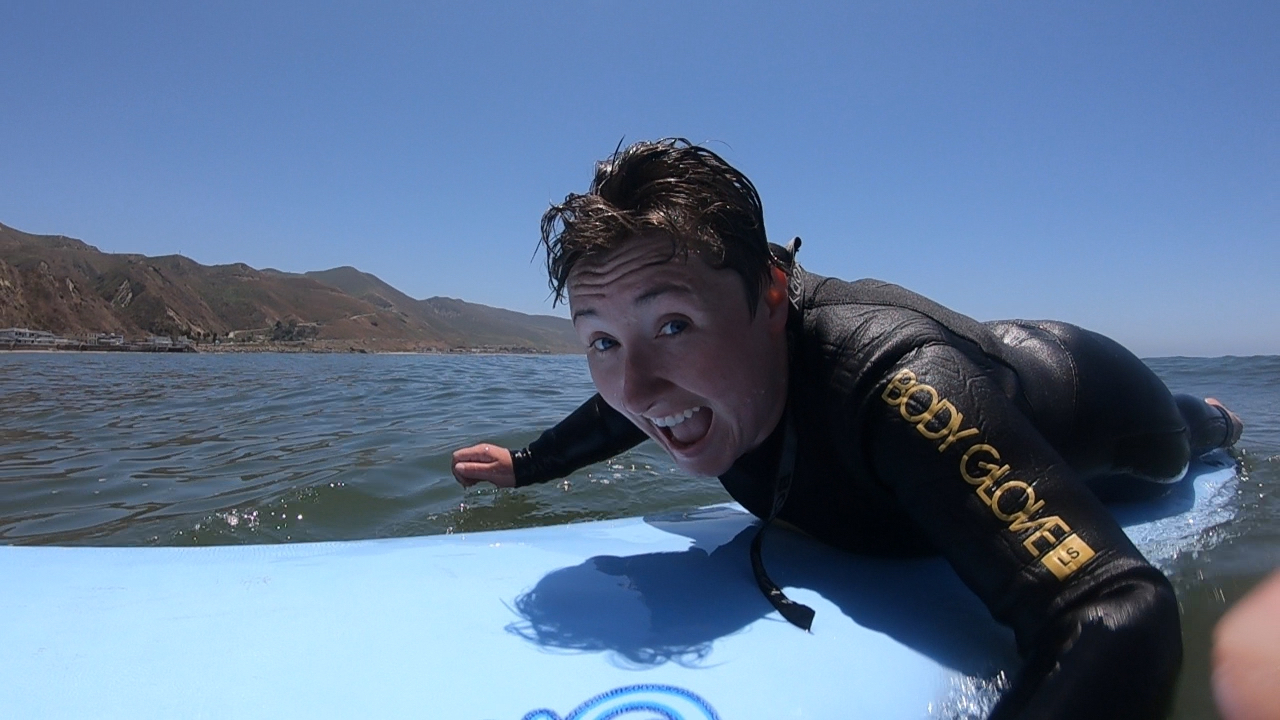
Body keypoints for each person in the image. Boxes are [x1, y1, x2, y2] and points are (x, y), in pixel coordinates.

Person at [451, 139, 1244, 719]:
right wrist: (525, 465)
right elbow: (628, 404)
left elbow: (1124, 611)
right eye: (601, 340)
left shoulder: (896, 391)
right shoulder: (667, 378)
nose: (634, 385)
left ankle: (1213, 416)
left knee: (1179, 444)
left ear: (769, 293)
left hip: (1095, 395)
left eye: (673, 326)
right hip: (961, 353)